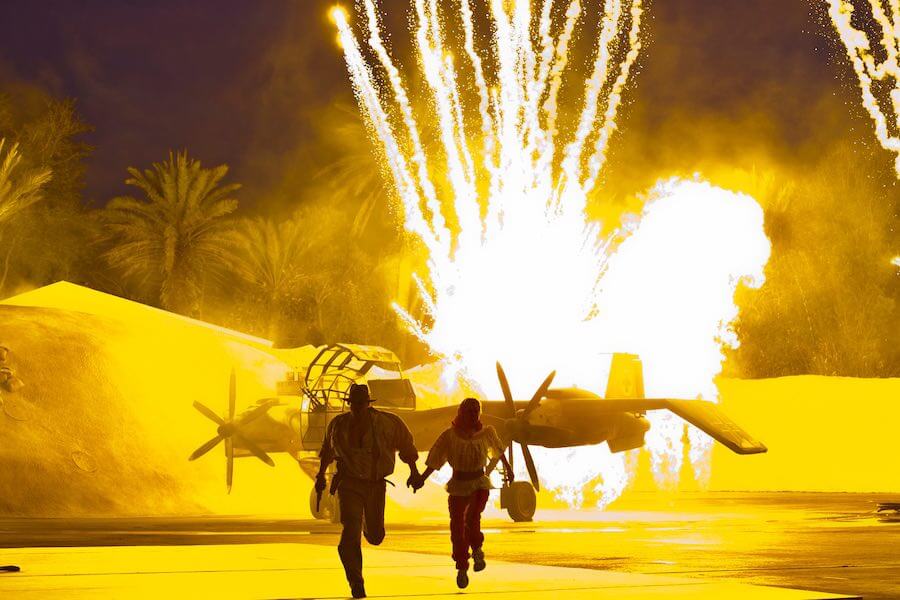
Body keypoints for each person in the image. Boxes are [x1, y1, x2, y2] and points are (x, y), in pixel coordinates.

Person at [315, 383, 421, 599]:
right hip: (349, 485)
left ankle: (366, 526)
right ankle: (356, 581)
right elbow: (327, 451)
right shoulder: (337, 424)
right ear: (349, 404)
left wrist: (414, 471)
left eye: (361, 404)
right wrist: (320, 477)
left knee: (375, 536)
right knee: (349, 531)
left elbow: (406, 445)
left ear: (368, 404)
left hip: (375, 485)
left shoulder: (388, 423)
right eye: (354, 404)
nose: (357, 408)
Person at [413, 397, 512, 589]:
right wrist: (422, 479)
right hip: (458, 485)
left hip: (479, 484)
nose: (474, 415)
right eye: (470, 411)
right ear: (462, 413)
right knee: (457, 526)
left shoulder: (487, 433)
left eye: (477, 411)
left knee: (472, 518)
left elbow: (498, 452)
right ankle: (462, 566)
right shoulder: (449, 436)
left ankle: (477, 550)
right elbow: (436, 459)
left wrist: (508, 469)